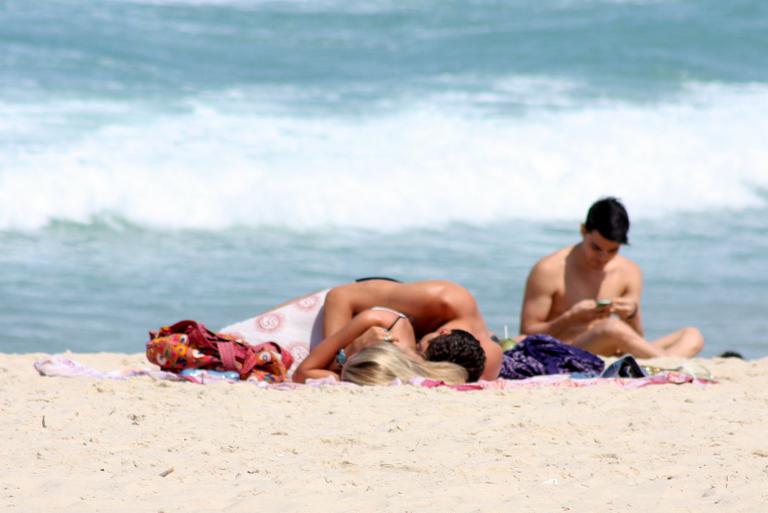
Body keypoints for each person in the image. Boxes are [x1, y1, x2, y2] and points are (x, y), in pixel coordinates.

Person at [519, 197, 704, 358]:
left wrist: (632, 315)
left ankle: (661, 361)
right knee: (610, 327)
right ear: (583, 231)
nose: (603, 258)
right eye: (596, 248)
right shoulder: (549, 269)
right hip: (566, 351)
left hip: (616, 351)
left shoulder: (629, 271)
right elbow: (526, 334)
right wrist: (570, 318)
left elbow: (636, 338)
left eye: (612, 250)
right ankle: (667, 364)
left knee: (692, 335)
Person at [321, 278, 501, 380]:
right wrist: (336, 358)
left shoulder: (486, 361)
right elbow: (340, 296)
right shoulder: (443, 299)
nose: (413, 353)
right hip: (358, 300)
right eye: (418, 350)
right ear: (443, 333)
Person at [291, 305, 469, 384]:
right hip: (315, 317)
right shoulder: (378, 322)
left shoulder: (382, 370)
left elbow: (303, 374)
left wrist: (353, 348)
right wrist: (344, 353)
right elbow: (307, 372)